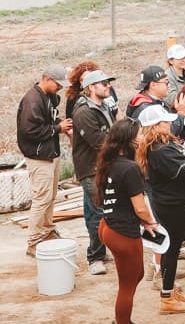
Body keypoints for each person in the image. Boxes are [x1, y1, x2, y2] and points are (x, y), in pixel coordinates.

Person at [95, 118, 156, 324]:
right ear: (129, 140)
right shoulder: (130, 168)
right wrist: (151, 223)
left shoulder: (109, 162)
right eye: (139, 135)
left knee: (136, 274)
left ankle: (123, 321)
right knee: (127, 286)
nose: (142, 138)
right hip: (122, 232)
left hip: (108, 225)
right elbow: (140, 207)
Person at [136, 110, 185, 315]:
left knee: (169, 249)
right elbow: (184, 171)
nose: (170, 125)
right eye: (165, 122)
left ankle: (169, 291)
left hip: (165, 201)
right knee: (171, 250)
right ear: (156, 126)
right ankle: (167, 297)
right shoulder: (160, 150)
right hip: (170, 204)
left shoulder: (156, 147)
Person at [16, 64, 70, 257]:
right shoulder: (33, 100)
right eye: (58, 84)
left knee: (50, 196)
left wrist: (58, 125)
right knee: (41, 199)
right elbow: (29, 131)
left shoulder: (46, 97)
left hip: (49, 153)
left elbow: (46, 123)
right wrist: (58, 128)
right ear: (46, 79)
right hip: (39, 156)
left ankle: (46, 230)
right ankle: (33, 240)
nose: (60, 88)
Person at [70, 69, 116, 275]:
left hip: (101, 166)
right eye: (103, 83)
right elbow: (99, 141)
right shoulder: (84, 112)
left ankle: (98, 251)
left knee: (94, 211)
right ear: (91, 88)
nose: (108, 86)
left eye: (108, 83)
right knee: (99, 211)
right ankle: (95, 257)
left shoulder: (103, 105)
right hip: (91, 168)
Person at [164, 44, 185, 109]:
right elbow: (171, 99)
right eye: (180, 58)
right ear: (171, 61)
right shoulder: (167, 77)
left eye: (184, 57)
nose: (183, 60)